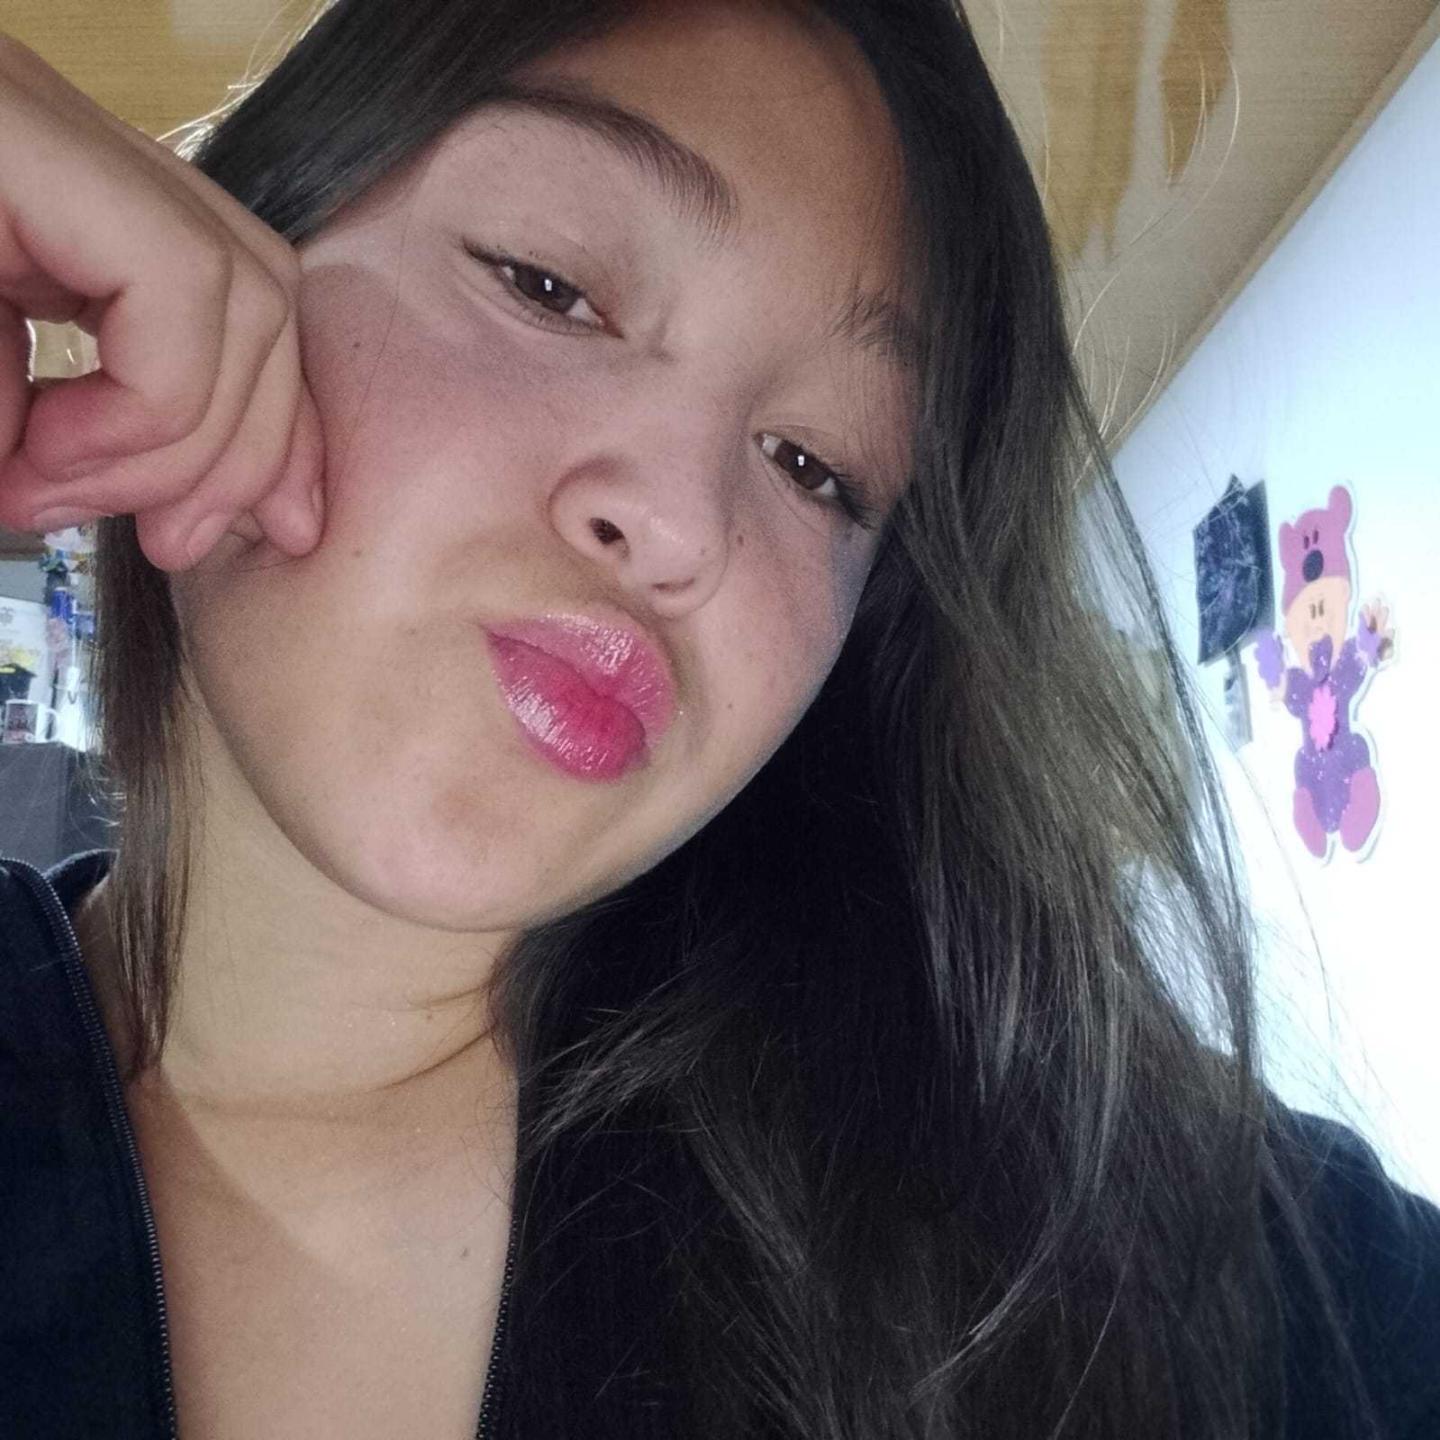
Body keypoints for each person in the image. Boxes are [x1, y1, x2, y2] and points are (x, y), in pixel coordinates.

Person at [0, 2, 1436, 1437]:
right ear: (237, 240)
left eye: (815, 466)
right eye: (549, 284)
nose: (683, 525)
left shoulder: (1125, 1251)